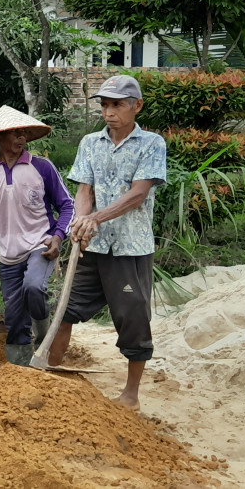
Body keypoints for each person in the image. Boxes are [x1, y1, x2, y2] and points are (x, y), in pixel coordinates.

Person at [51, 75, 166, 410]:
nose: (109, 112)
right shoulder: (90, 143)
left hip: (130, 248)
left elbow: (138, 195)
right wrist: (81, 221)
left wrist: (95, 219)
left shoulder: (151, 144)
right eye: (104, 105)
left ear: (137, 106)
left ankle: (131, 393)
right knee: (65, 309)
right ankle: (51, 371)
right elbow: (84, 191)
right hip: (93, 247)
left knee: (133, 317)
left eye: (117, 104)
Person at [0, 106, 74, 366]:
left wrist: (57, 236)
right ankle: (19, 368)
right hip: (7, 252)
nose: (21, 138)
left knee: (34, 287)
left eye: (24, 133)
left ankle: (45, 335)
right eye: (14, 132)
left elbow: (67, 204)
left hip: (40, 244)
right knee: (12, 314)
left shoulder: (41, 168)